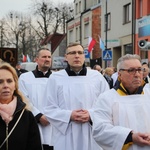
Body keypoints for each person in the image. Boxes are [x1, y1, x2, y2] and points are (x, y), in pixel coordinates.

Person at [44, 43, 109, 150]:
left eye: (80, 53)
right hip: (66, 134)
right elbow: (49, 108)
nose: (77, 56)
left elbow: (107, 105)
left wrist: (91, 115)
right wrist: (69, 115)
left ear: (84, 56)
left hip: (92, 133)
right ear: (66, 57)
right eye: (72, 53)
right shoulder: (55, 78)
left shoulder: (97, 77)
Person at [92, 54, 150, 150]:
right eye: (131, 70)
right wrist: (130, 137)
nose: (137, 74)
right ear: (119, 74)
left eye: (139, 70)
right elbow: (100, 130)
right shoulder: (107, 98)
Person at [0, 62, 42, 150]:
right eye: (0, 82)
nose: (5, 86)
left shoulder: (27, 116)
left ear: (15, 85)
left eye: (9, 81)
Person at [18, 48, 53, 150]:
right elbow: (23, 99)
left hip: (53, 124)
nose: (47, 59)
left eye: (49, 57)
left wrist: (51, 116)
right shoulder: (25, 78)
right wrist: (38, 116)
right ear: (36, 60)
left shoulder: (57, 78)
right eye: (44, 57)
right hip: (34, 122)